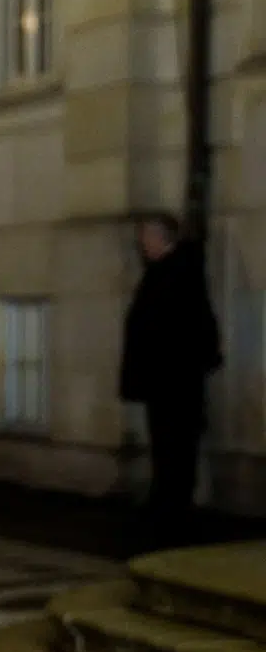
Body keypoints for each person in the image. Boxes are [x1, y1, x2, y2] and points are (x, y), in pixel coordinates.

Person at [119, 212, 223, 545]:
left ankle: (174, 512)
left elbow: (189, 331)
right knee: (166, 447)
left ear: (162, 237)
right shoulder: (165, 272)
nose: (142, 244)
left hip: (175, 382)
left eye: (146, 237)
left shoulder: (178, 273)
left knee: (177, 448)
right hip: (163, 381)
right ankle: (166, 506)